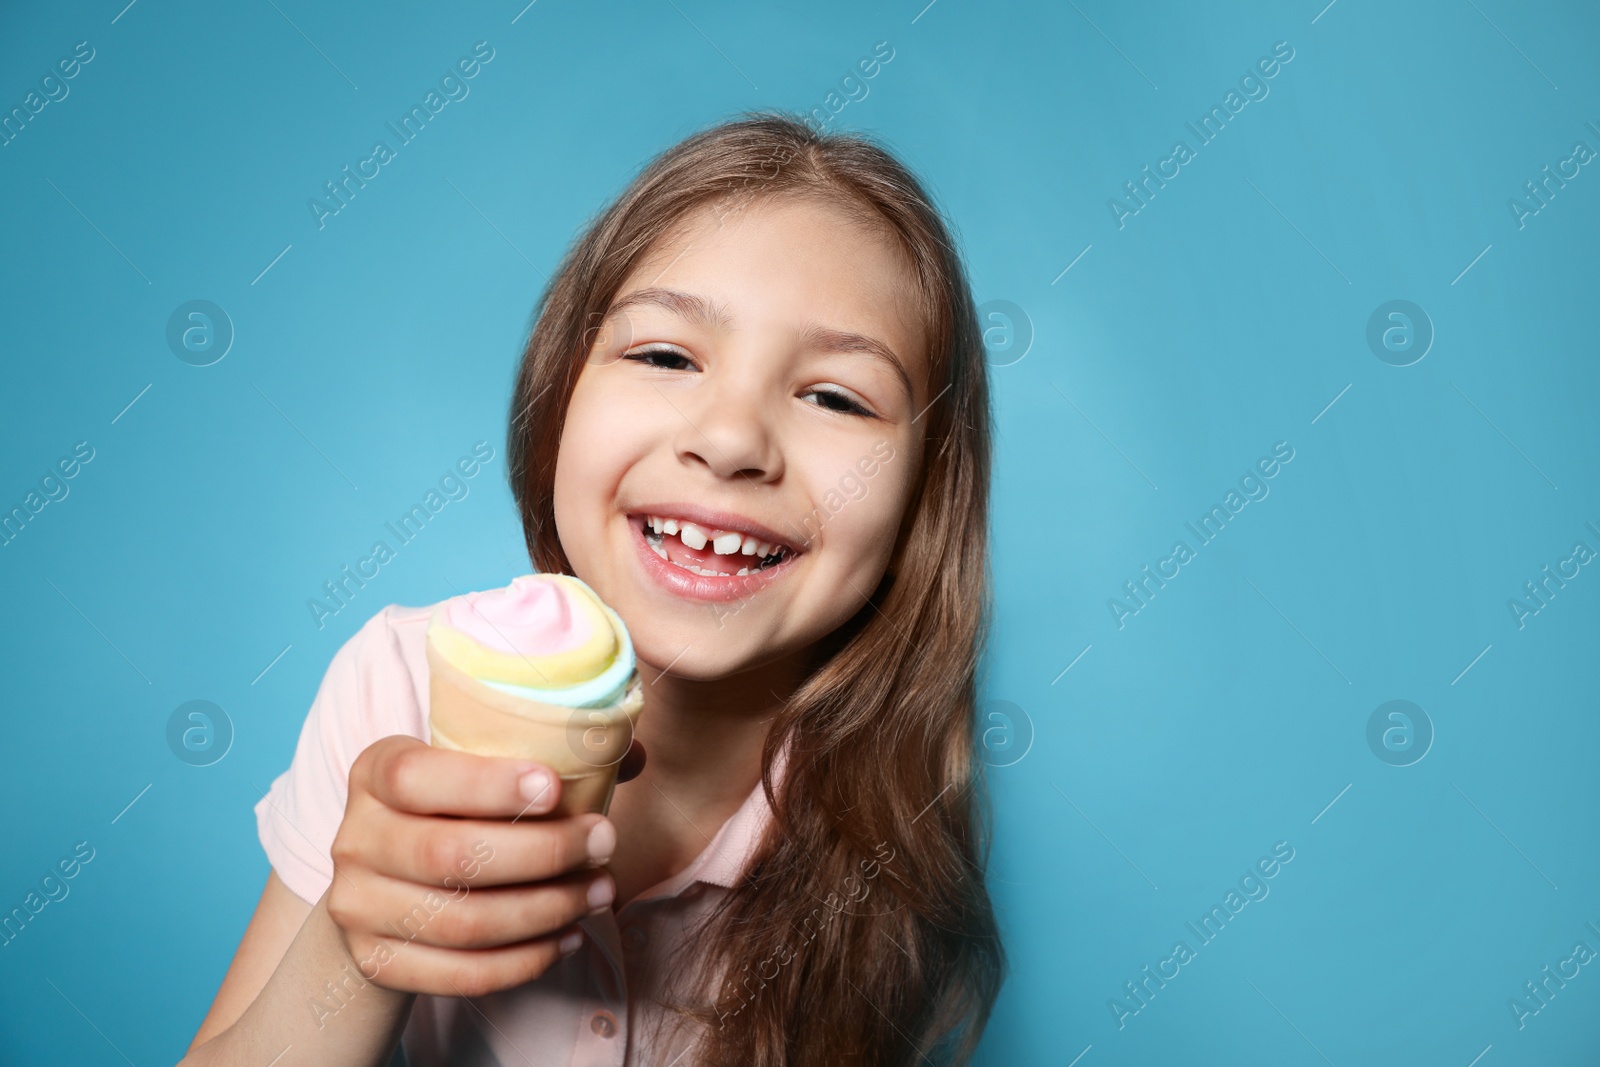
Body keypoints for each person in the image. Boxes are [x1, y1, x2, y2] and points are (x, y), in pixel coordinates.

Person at [181, 110, 1004, 1066]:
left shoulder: (896, 800)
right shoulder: (402, 688)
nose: (731, 439)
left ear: (922, 501)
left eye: (833, 396)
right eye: (664, 355)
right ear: (559, 394)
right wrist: (353, 947)